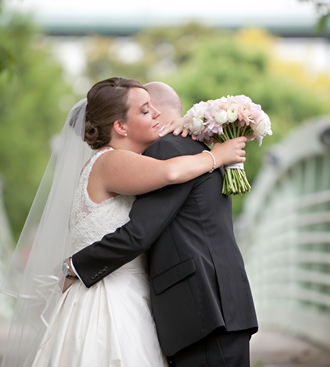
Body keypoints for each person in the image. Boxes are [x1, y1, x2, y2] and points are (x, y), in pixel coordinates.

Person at [0, 77, 247, 367]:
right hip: (110, 301)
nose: (155, 115)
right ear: (120, 126)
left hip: (115, 292)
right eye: (145, 110)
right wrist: (216, 156)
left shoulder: (119, 163)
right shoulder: (112, 161)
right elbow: (169, 174)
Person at [69, 81, 259, 366]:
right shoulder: (195, 148)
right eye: (144, 111)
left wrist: (76, 266)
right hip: (219, 304)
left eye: (149, 109)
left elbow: (139, 234)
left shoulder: (169, 149)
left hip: (201, 309)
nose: (152, 116)